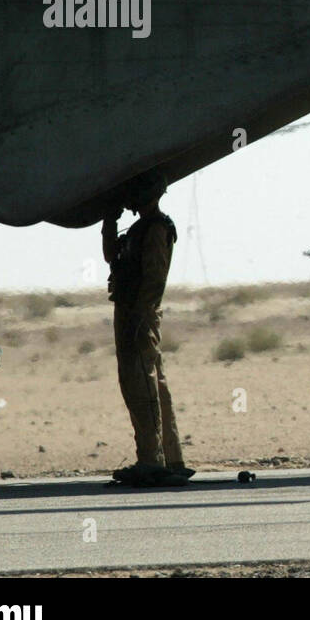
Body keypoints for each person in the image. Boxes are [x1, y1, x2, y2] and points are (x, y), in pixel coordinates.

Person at [102, 170, 191, 486]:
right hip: (132, 313)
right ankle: (169, 456)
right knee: (151, 382)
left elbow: (154, 279)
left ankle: (152, 460)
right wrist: (109, 224)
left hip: (138, 315)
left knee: (142, 385)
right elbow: (112, 257)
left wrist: (141, 316)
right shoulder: (141, 229)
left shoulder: (156, 229)